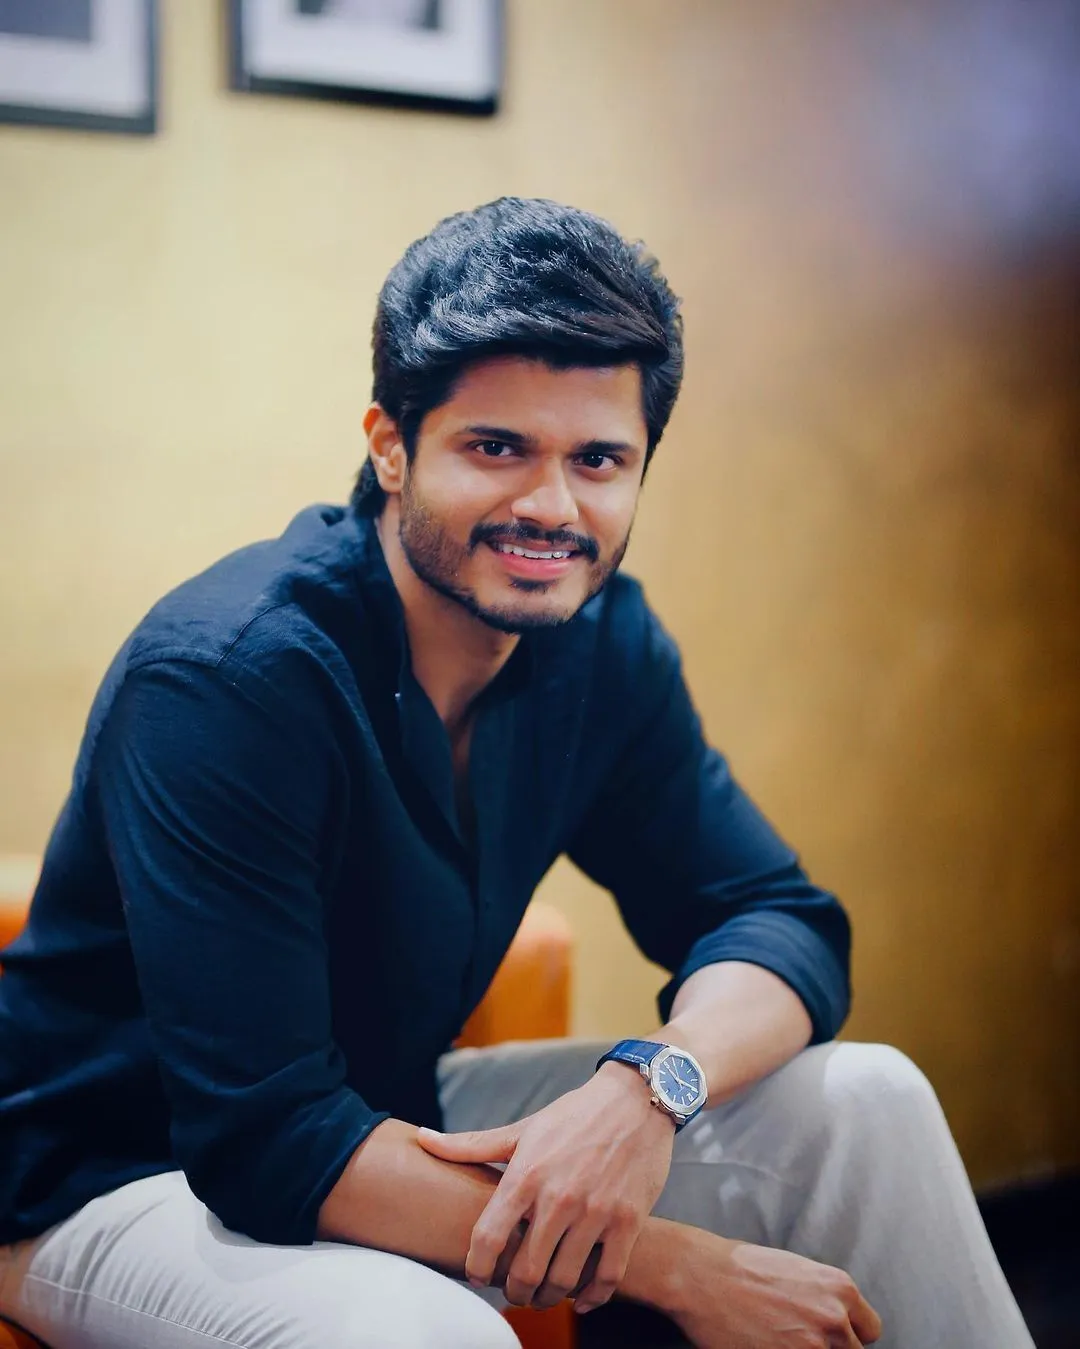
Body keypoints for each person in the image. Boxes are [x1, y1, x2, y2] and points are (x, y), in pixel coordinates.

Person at [0, 198, 1034, 1349]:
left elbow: (778, 918)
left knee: (866, 1099)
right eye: (496, 447)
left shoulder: (601, 643)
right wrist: (676, 1264)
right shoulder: (229, 675)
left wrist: (649, 1086)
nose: (550, 506)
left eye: (598, 459)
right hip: (110, 1181)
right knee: (424, 1329)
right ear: (391, 446)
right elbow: (266, 1138)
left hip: (388, 1115)